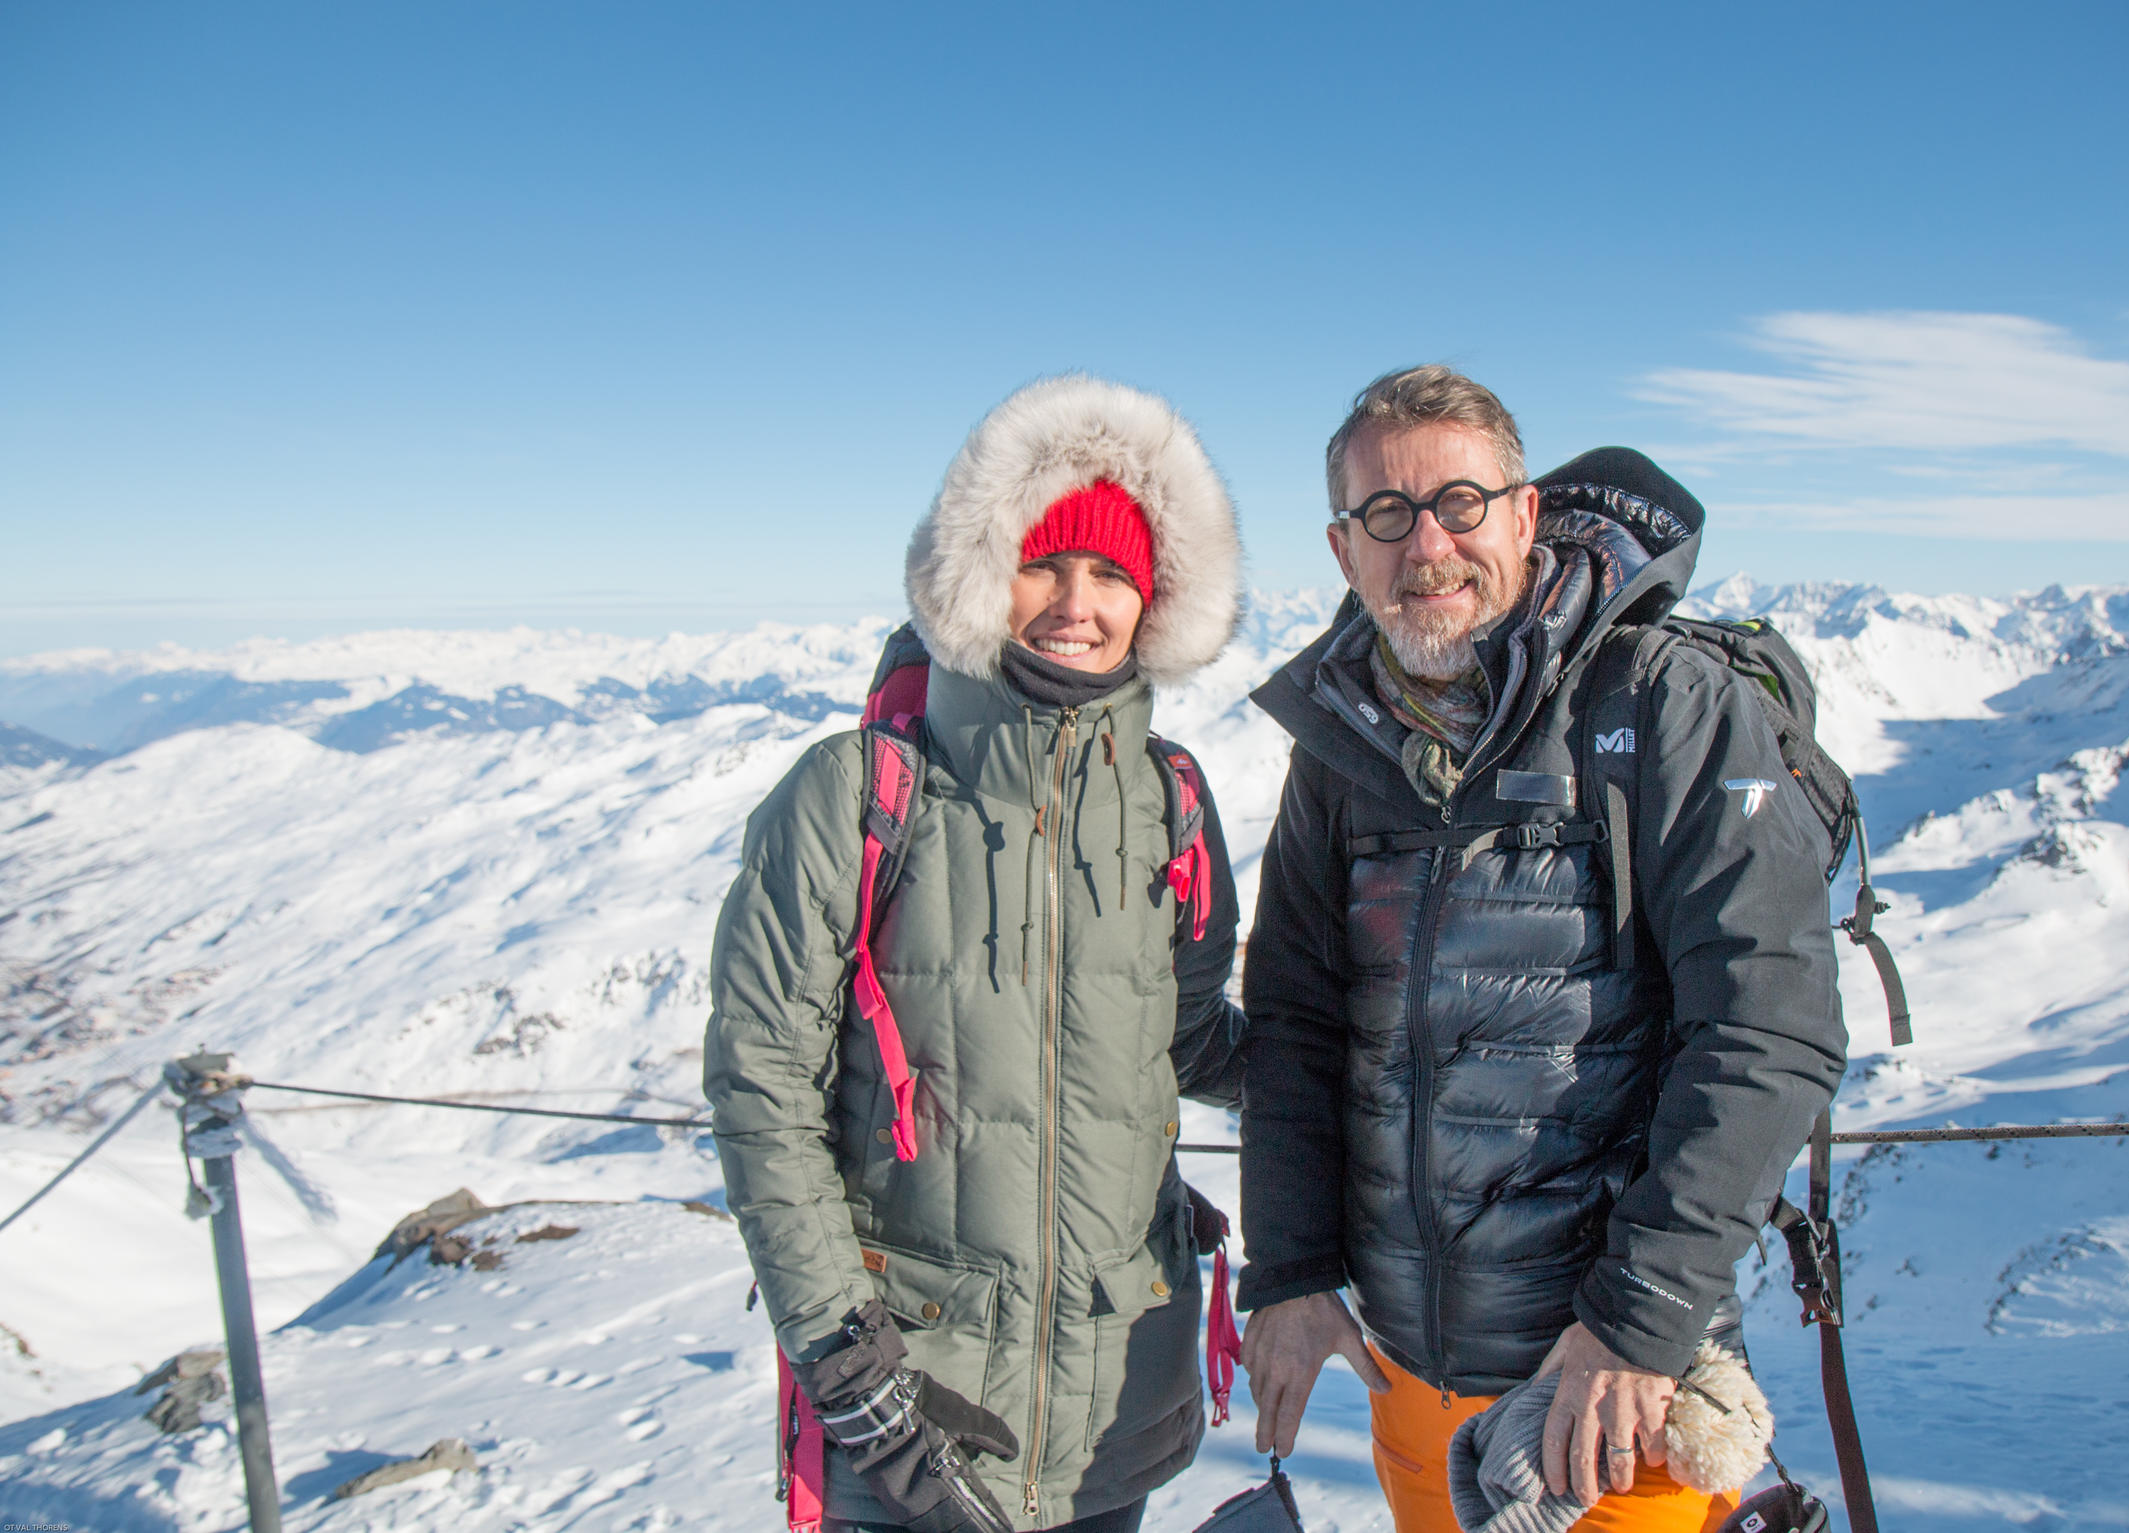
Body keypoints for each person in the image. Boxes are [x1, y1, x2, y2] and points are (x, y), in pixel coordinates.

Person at [1234, 366, 1848, 1533]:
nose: (1426, 543)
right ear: (1341, 548)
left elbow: (1768, 1023)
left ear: (1523, 514)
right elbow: (1297, 1018)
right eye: (1386, 514)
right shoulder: (1341, 741)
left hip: (1611, 1382)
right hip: (1409, 1371)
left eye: (1459, 503)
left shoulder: (1660, 700)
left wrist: (1637, 1319)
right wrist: (1292, 1270)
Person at [705, 375, 1250, 1533]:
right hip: (913, 1414)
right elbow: (763, 1093)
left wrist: (1408, 1065)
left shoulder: (1172, 806)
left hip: (1115, 1406)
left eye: (1110, 573)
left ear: (1152, 600)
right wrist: (852, 1375)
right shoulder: (850, 796)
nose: (1075, 603)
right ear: (979, 575)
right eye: (1043, 563)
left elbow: (1195, 1041)